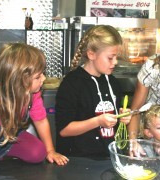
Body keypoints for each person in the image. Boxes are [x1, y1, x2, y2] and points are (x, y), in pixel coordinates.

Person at [55, 25, 131, 158]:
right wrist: (97, 122)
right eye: (110, 57)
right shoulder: (71, 83)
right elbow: (64, 130)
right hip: (78, 158)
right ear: (91, 54)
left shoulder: (112, 82)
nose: (115, 62)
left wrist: (122, 117)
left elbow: (114, 117)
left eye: (116, 57)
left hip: (109, 155)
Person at [0, 43, 68, 165]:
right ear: (19, 81)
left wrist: (50, 150)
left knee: (38, 153)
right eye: (38, 77)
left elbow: (40, 120)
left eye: (43, 73)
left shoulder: (32, 94)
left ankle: (2, 156)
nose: (44, 79)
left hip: (11, 136)